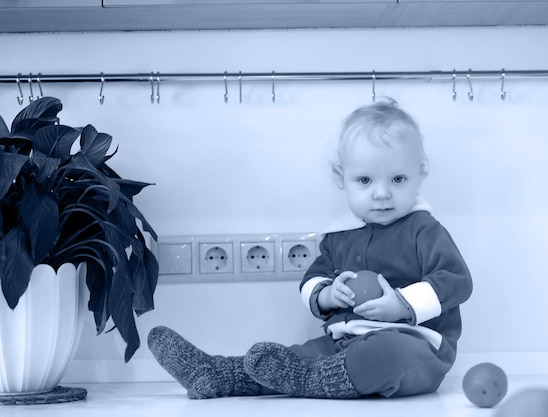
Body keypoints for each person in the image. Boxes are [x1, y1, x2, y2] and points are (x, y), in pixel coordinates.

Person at [148, 98, 473, 399]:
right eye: (365, 181)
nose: (381, 194)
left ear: (420, 175)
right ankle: (221, 373)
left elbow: (456, 280)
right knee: (292, 356)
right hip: (344, 341)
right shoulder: (339, 235)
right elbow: (313, 278)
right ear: (340, 178)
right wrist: (327, 295)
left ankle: (309, 380)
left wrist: (403, 305)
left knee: (385, 354)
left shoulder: (423, 229)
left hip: (415, 345)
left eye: (398, 180)